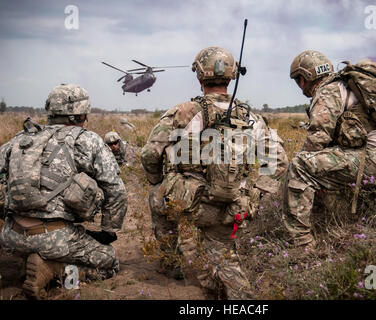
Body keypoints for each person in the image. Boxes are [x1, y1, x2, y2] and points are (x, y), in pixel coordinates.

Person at [141, 46, 288, 299]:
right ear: (232, 77)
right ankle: (238, 293)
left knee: (156, 195)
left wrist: (159, 181)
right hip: (233, 207)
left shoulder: (182, 112)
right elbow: (278, 162)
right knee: (222, 255)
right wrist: (256, 194)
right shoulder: (252, 117)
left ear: (199, 77)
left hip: (189, 206)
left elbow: (149, 155)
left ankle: (172, 262)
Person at [0, 84, 128, 299]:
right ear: (81, 113)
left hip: (10, 236)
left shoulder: (21, 139)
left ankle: (30, 260)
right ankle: (54, 271)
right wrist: (108, 229)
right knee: (109, 262)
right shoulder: (86, 140)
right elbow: (115, 189)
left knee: (38, 244)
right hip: (54, 237)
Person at [283, 50, 376, 248]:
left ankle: (301, 245)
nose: (300, 86)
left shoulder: (328, 91)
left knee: (301, 166)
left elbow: (315, 142)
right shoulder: (348, 86)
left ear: (305, 77)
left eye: (299, 80)